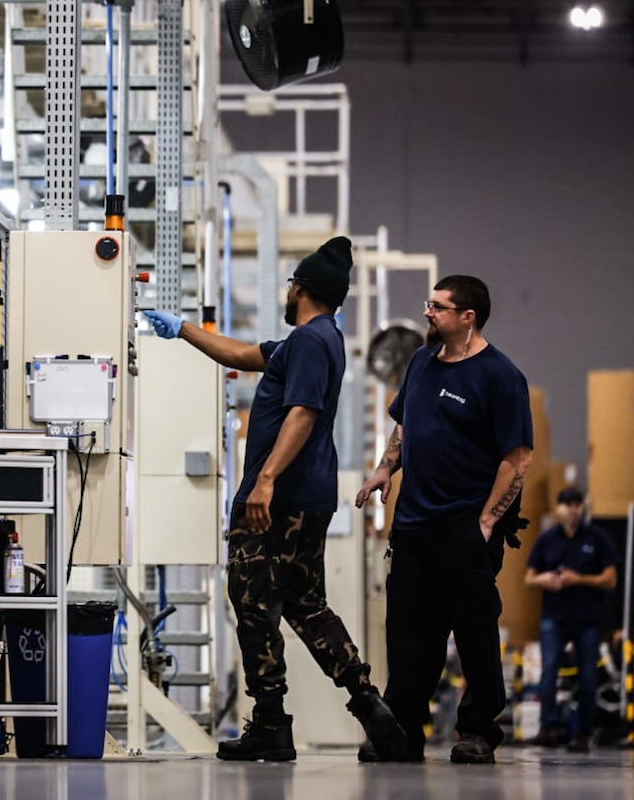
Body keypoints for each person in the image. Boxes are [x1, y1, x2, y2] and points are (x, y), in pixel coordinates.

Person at [144, 236, 405, 762]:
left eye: (290, 284)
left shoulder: (310, 342)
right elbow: (241, 353)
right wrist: (183, 328)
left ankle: (270, 723)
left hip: (277, 500)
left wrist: (264, 480)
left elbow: (302, 412)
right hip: (307, 497)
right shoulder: (313, 340)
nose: (286, 292)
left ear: (302, 288)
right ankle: (368, 702)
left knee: (253, 604)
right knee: (307, 605)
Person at [355, 274, 533, 765]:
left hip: (466, 526)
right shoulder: (420, 363)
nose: (428, 313)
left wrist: (484, 523)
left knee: (474, 632)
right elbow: (405, 424)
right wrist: (385, 468)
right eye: (429, 304)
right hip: (413, 525)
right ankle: (403, 731)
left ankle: (477, 732)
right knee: (410, 634)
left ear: (467, 317)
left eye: (437, 306)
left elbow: (517, 459)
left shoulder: (500, 376)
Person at [525, 487, 618, 751]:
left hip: (587, 619)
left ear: (583, 507)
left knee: (588, 675)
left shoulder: (597, 539)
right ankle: (548, 728)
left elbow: (611, 579)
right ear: (558, 508)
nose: (572, 509)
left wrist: (579, 579)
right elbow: (529, 578)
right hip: (554, 617)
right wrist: (543, 579)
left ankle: (584, 733)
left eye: (577, 503)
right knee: (549, 669)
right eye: (567, 504)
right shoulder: (546, 539)